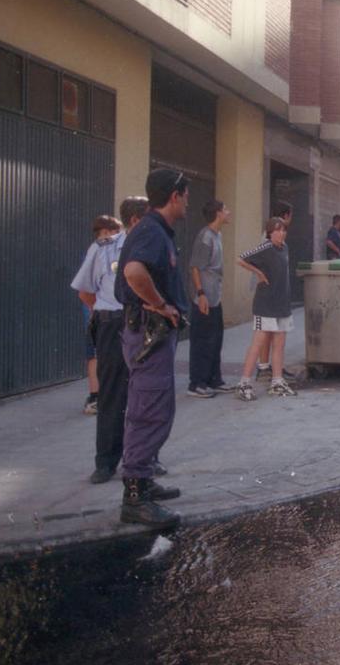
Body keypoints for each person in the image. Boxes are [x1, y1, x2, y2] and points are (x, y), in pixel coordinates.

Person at [113, 169, 190, 526]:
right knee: (149, 411)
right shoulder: (152, 231)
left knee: (151, 407)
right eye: (186, 194)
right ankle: (135, 497)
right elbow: (133, 273)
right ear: (175, 195)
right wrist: (160, 304)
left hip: (150, 335)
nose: (188, 201)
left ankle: (142, 480)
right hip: (149, 333)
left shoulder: (153, 230)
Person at [72, 202, 146, 484]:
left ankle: (144, 458)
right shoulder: (103, 249)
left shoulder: (153, 248)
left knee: (145, 395)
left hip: (144, 324)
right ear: (135, 220)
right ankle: (105, 462)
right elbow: (85, 293)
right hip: (114, 323)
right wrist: (108, 314)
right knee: (112, 395)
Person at [235, 217, 296, 400]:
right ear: (270, 232)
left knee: (279, 344)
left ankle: (277, 381)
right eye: (277, 230)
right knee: (258, 343)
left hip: (282, 304)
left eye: (283, 230)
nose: (281, 233)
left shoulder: (284, 248)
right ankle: (244, 382)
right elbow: (240, 259)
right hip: (265, 305)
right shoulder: (265, 247)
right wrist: (258, 273)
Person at [187, 199, 233, 399]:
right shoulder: (205, 237)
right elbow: (195, 267)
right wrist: (200, 294)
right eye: (225, 210)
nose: (228, 212)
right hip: (204, 298)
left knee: (215, 340)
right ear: (217, 213)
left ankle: (215, 380)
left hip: (215, 297)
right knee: (202, 342)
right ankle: (197, 383)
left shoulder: (217, 235)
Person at [76, 215, 120, 415]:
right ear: (107, 232)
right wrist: (96, 309)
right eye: (114, 231)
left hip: (97, 308)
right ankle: (96, 396)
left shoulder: (95, 250)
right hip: (97, 309)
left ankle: (97, 395)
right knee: (95, 352)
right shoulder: (99, 251)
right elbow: (85, 291)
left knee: (95, 353)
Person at [257, 201, 295, 380]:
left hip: (276, 293)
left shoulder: (279, 238)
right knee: (266, 331)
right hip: (268, 294)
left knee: (274, 332)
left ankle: (274, 367)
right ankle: (264, 367)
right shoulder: (269, 240)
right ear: (286, 216)